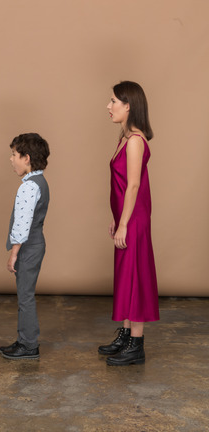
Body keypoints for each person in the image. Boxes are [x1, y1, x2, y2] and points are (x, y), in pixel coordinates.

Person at [98, 81, 159, 366]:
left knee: (135, 275)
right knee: (125, 274)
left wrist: (124, 224)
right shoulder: (124, 138)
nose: (108, 107)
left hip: (134, 219)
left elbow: (133, 185)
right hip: (126, 216)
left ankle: (136, 344)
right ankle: (125, 334)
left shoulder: (135, 140)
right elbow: (121, 186)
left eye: (113, 102)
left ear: (128, 105)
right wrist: (115, 217)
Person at [0, 133, 50, 360]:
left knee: (25, 296)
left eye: (14, 154)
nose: (11, 159)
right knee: (25, 295)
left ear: (26, 158)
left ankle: (29, 345)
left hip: (28, 247)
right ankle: (24, 340)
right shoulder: (39, 182)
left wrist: (14, 254)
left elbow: (22, 223)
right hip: (36, 243)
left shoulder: (28, 187)